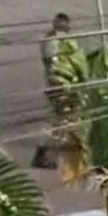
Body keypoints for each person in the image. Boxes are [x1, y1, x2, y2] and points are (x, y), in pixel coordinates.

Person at [33, 13, 77, 169]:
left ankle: (72, 147)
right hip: (57, 86)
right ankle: (43, 154)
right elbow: (54, 65)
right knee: (55, 121)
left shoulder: (61, 40)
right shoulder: (52, 42)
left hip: (63, 85)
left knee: (66, 119)